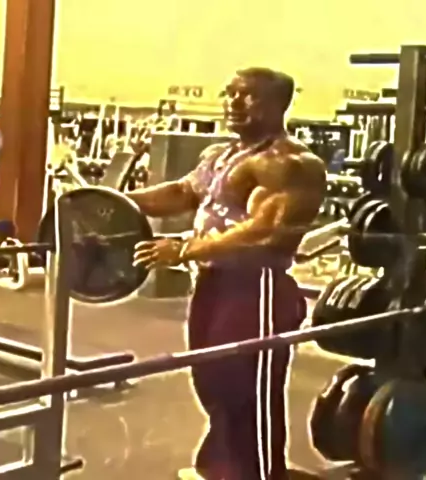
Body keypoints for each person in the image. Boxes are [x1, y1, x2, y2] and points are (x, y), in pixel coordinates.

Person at [129, 67, 327, 480]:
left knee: (249, 387)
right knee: (213, 379)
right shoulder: (220, 155)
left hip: (257, 286)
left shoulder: (290, 163)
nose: (234, 102)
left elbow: (266, 232)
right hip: (213, 282)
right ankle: (222, 467)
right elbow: (183, 193)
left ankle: (258, 473)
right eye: (230, 93)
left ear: (279, 104)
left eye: (248, 95)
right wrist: (112, 201)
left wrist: (184, 249)